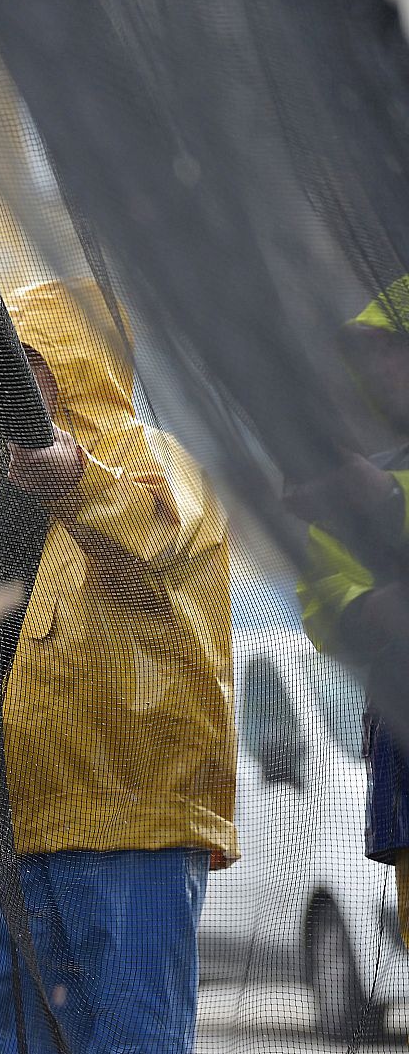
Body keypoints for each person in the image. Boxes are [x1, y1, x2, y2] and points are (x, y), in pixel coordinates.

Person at [0, 279, 237, 1054]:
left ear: (73, 361)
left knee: (134, 1039)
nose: (6, 381)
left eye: (27, 359)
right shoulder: (12, 498)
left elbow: (154, 548)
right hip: (29, 828)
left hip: (132, 822)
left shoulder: (153, 462)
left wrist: (77, 480)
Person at [288, 278, 409, 946]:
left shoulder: (375, 478)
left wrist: (385, 498)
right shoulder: (365, 472)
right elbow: (320, 595)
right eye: (374, 353)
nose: (383, 368)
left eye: (397, 348)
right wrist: (370, 610)